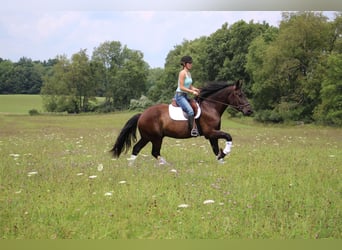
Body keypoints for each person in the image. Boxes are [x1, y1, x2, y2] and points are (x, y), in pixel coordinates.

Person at [174, 55, 200, 137]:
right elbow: (181, 87)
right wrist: (192, 92)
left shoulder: (189, 73)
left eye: (191, 63)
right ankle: (193, 129)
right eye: (189, 63)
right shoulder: (182, 73)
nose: (191, 64)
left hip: (185, 95)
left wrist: (195, 89)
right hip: (180, 96)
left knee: (196, 106)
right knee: (190, 111)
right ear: (185, 64)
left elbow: (190, 85)